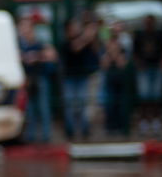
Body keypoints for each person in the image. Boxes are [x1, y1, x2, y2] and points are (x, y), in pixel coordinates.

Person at [18, 14, 58, 143]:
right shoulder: (19, 43)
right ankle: (31, 138)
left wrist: (36, 56)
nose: (24, 30)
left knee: (43, 108)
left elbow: (52, 56)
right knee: (29, 110)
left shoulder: (39, 42)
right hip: (26, 80)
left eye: (27, 27)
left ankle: (46, 137)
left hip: (39, 78)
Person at [60, 14, 100, 140]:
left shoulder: (83, 39)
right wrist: (87, 35)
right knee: (70, 105)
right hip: (69, 78)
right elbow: (75, 47)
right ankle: (70, 132)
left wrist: (93, 36)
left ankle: (85, 131)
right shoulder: (65, 42)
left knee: (84, 104)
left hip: (82, 76)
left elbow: (95, 50)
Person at [132, 14, 162, 137]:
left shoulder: (159, 35)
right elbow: (135, 52)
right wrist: (139, 64)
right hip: (144, 69)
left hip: (156, 68)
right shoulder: (139, 35)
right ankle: (144, 122)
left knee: (156, 96)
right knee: (144, 96)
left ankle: (156, 122)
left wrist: (161, 64)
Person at [99, 30, 131, 138]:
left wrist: (116, 53)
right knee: (109, 104)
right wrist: (109, 52)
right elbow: (104, 65)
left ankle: (122, 127)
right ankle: (110, 128)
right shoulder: (104, 51)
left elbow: (122, 64)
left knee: (121, 104)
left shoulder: (123, 50)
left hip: (121, 81)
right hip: (109, 81)